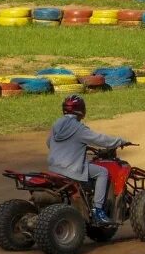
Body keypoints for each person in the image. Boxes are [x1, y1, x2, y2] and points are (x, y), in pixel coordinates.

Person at [47, 94, 130, 226]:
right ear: (81, 110)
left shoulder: (57, 124)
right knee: (103, 172)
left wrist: (74, 146)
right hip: (71, 169)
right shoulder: (79, 128)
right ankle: (98, 211)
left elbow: (49, 143)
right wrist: (120, 141)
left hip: (54, 168)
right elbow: (100, 140)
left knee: (90, 170)